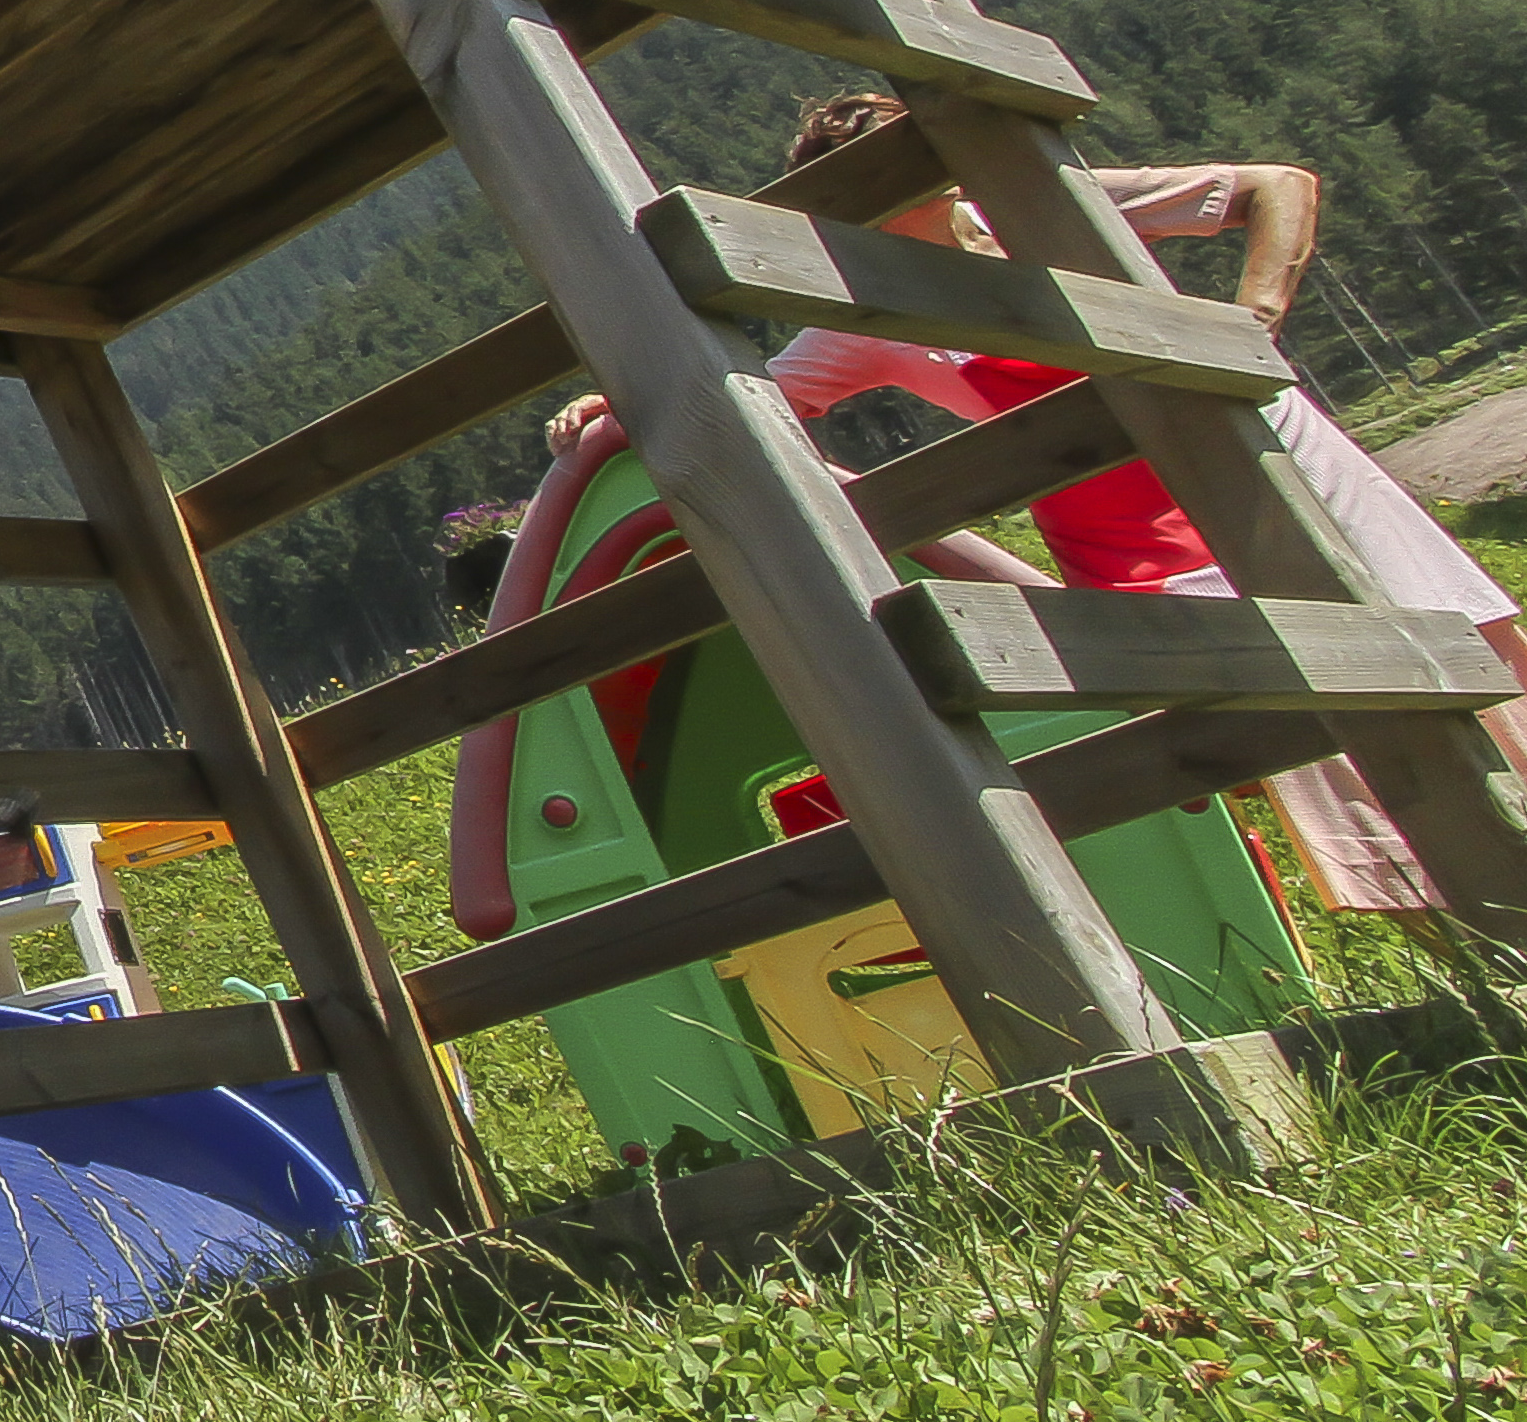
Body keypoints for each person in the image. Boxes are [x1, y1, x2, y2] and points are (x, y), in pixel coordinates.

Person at [550, 94, 1498, 905]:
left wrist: (1252, 322)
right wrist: (624, 402)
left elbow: (1276, 186)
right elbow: (746, 397)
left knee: (1459, 644)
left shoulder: (1040, 205)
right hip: (1129, 539)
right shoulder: (864, 312)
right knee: (1303, 733)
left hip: (1270, 452)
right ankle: (1460, 926)